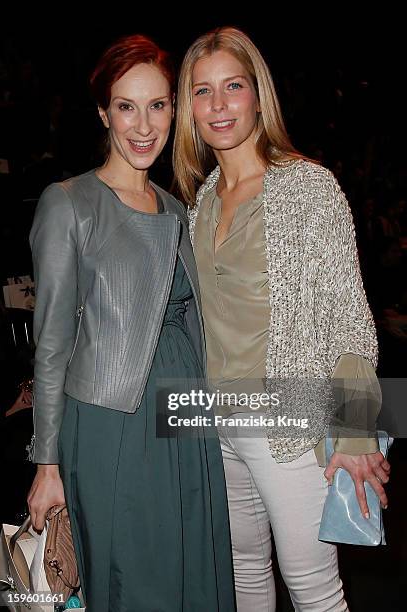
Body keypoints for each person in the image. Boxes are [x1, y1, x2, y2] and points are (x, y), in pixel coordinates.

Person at [174, 27, 390, 611]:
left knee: (315, 592)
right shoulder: (202, 200)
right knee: (243, 574)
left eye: (233, 87)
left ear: (258, 95)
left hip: (288, 419)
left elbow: (349, 318)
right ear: (187, 108)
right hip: (217, 422)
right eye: (202, 91)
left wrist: (353, 428)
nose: (218, 105)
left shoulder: (308, 187)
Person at [27, 34, 235, 612]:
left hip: (188, 412)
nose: (143, 125)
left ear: (175, 109)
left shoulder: (177, 208)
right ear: (104, 112)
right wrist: (47, 462)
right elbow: (51, 344)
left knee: (195, 563)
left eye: (158, 105)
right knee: (132, 575)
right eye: (126, 106)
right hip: (110, 421)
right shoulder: (69, 202)